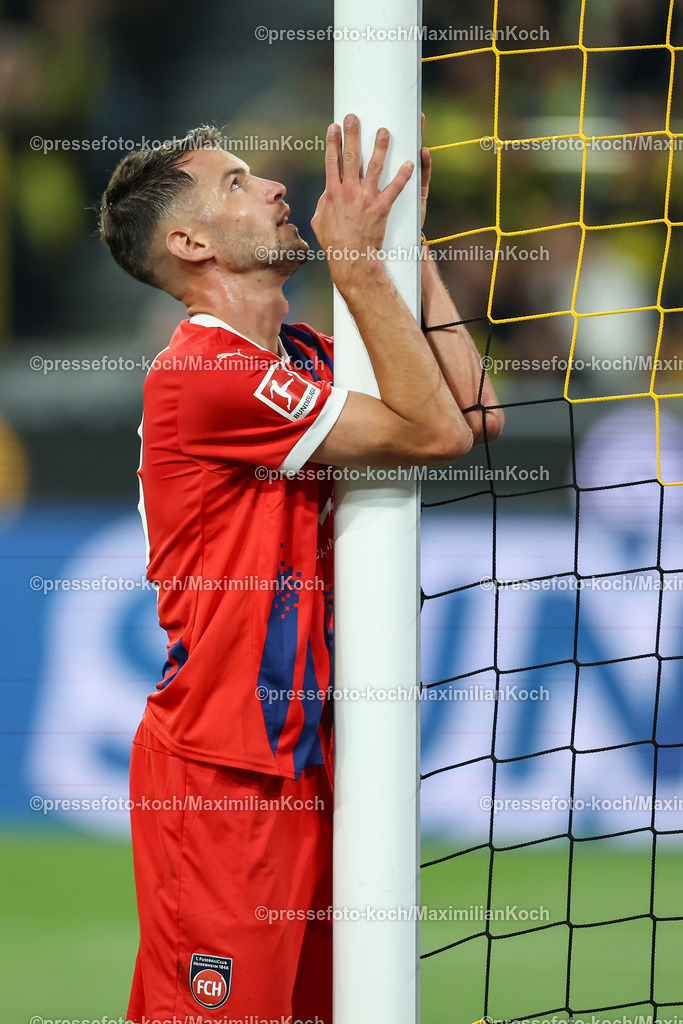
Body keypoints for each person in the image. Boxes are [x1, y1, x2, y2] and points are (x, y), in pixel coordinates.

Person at [98, 114, 503, 1023]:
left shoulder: (306, 357)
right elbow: (432, 433)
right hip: (222, 773)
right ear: (188, 242)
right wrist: (357, 262)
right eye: (236, 183)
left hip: (314, 763)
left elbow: (473, 415)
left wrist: (407, 249)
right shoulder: (199, 372)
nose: (276, 187)